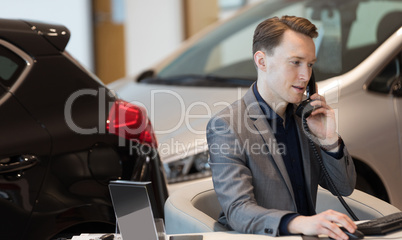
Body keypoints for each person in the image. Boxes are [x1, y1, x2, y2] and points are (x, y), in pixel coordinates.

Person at [206, 15, 357, 240]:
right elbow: (238, 211)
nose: (305, 76)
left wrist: (328, 139)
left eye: (310, 64)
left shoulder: (305, 118)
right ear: (262, 61)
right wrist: (301, 223)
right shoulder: (227, 126)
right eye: (295, 62)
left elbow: (344, 188)